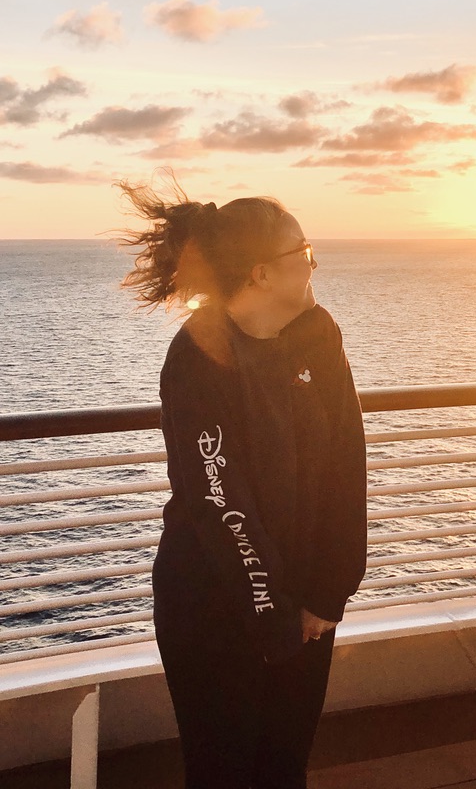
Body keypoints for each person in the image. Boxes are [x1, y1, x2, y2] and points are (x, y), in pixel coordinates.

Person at [118, 176, 368, 789]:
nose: (314, 266)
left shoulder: (318, 333)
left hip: (305, 605)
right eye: (303, 255)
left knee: (283, 768)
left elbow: (347, 462)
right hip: (214, 606)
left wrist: (324, 596)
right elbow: (218, 501)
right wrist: (274, 615)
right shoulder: (199, 355)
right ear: (261, 274)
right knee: (223, 772)